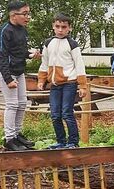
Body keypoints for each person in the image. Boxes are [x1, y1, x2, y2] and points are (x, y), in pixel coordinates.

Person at [37, 13, 88, 149]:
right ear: (53, 26)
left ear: (69, 28)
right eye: (57, 26)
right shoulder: (48, 43)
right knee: (54, 114)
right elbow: (44, 63)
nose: (60, 30)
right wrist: (41, 79)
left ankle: (73, 142)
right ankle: (61, 141)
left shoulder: (72, 44)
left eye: (63, 27)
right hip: (54, 84)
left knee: (67, 112)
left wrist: (82, 85)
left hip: (69, 83)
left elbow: (79, 64)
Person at [0, 0, 36, 151]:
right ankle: (9, 138)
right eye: (25, 14)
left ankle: (17, 134)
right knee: (12, 104)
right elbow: (2, 56)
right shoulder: (5, 31)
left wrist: (31, 55)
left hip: (19, 71)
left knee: (22, 103)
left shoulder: (22, 29)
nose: (28, 17)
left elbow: (19, 51)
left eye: (28, 13)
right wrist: (8, 79)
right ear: (13, 15)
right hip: (6, 72)